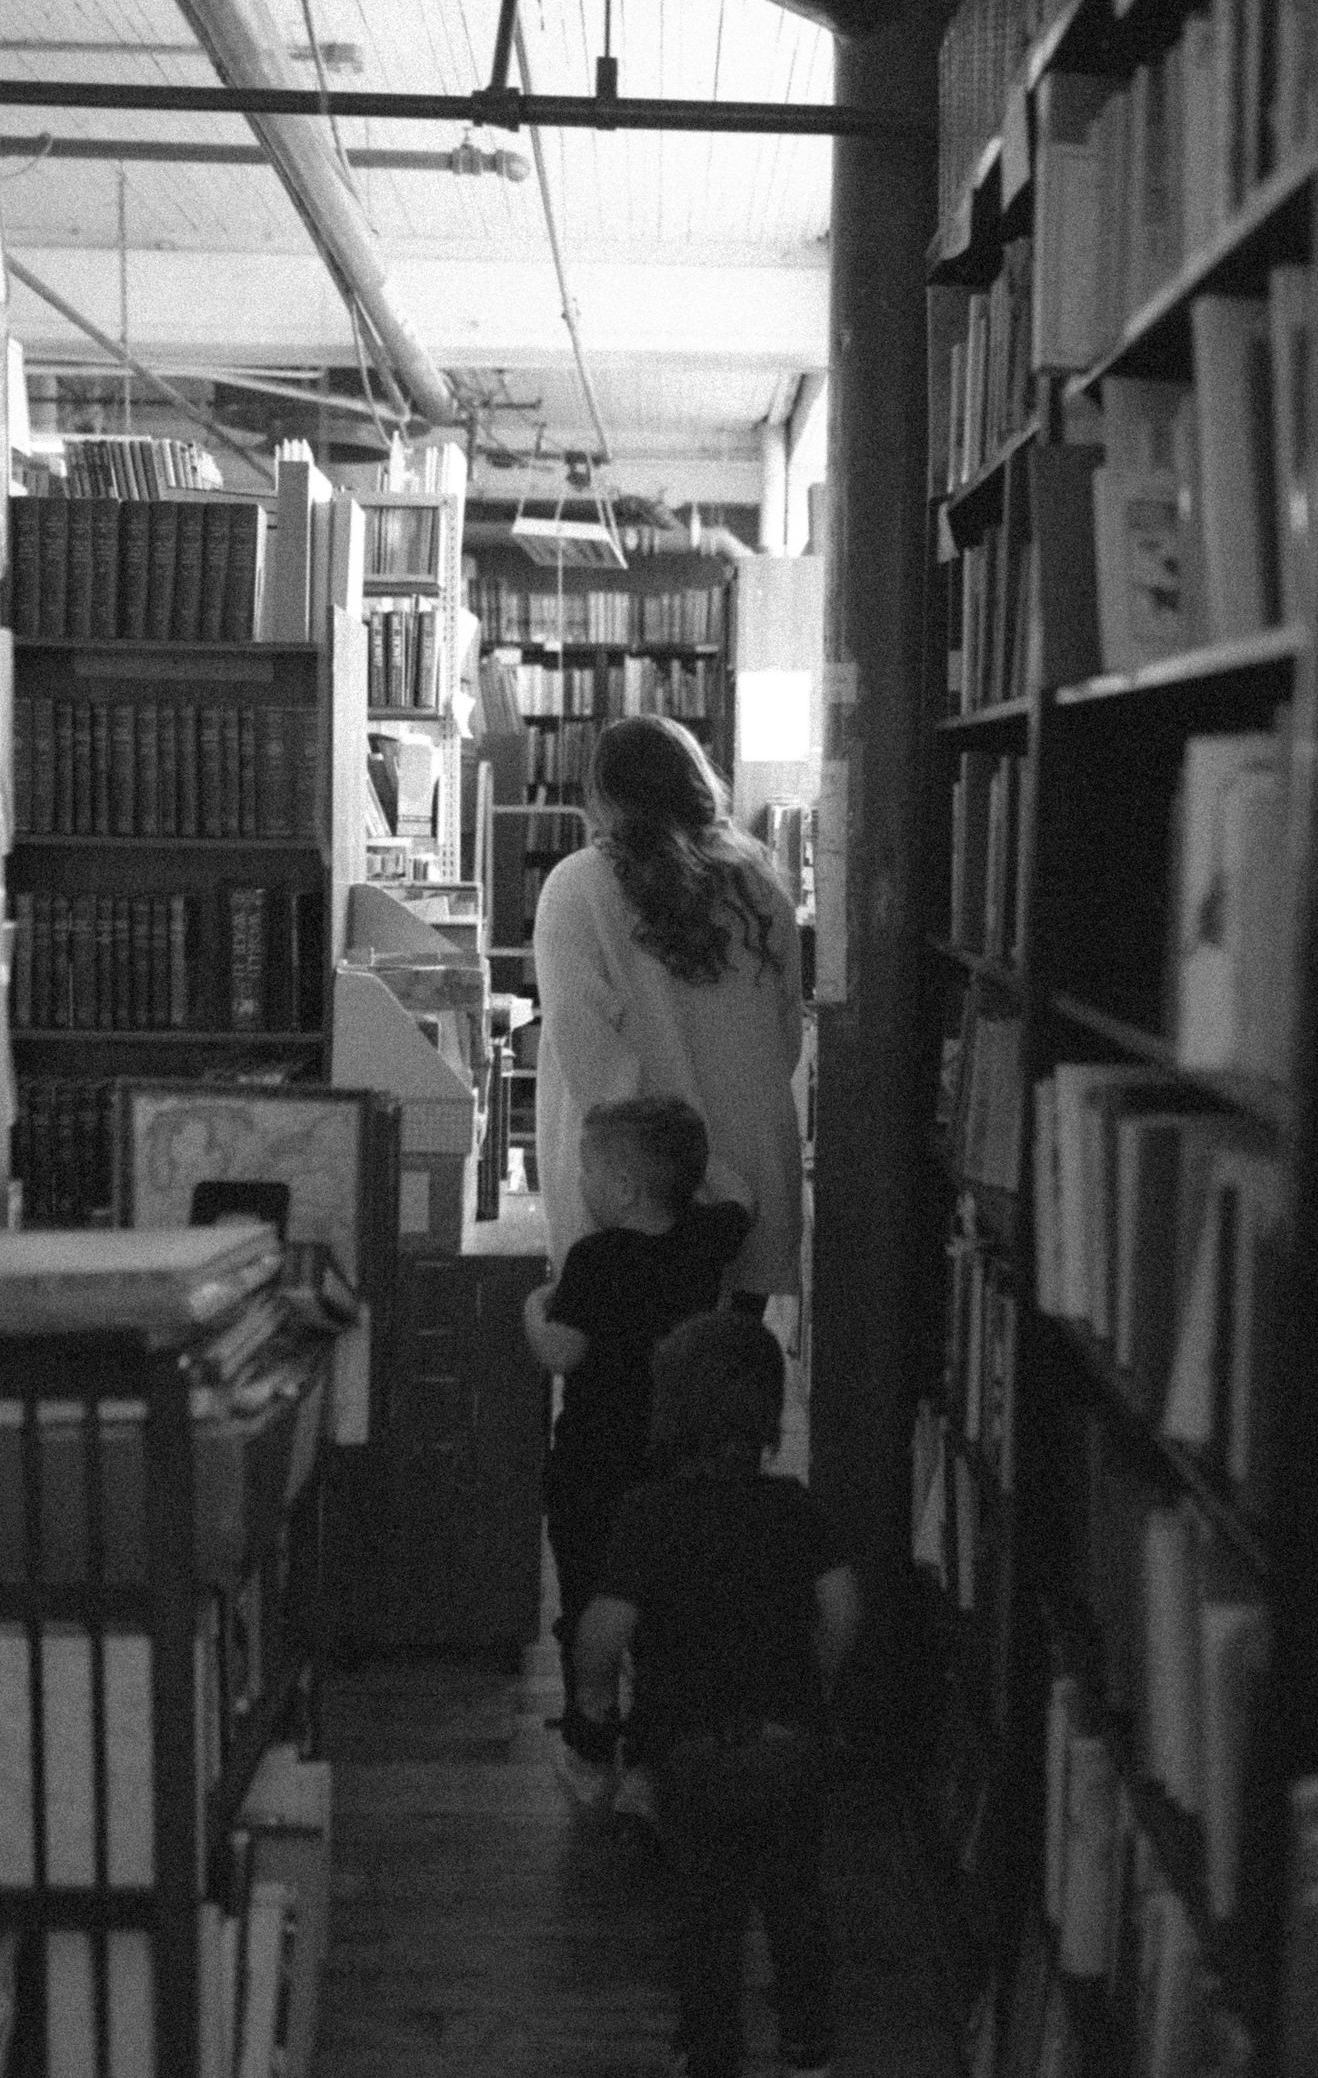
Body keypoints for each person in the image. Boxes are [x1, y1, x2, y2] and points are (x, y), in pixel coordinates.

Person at [569, 1311, 862, 2078]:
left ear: (670, 1413)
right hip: (790, 1741)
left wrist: (596, 1713)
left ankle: (711, 2051)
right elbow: (842, 1606)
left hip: (691, 1750)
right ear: (769, 1417)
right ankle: (806, 2045)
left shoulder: (647, 1514)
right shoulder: (795, 1507)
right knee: (796, 1898)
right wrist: (816, 1685)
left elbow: (602, 1632)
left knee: (708, 1912)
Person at [523, 1093, 752, 1822]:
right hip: (672, 1463)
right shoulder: (709, 1239)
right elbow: (738, 1192)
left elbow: (563, 1353)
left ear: (620, 1187)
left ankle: (591, 1743)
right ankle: (655, 1764)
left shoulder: (594, 1259)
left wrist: (533, 1308)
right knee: (666, 1611)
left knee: (589, 1599)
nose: (580, 1186)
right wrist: (689, 1174)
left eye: (588, 1172)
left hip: (593, 1464)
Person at [532, 714, 804, 1317]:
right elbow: (786, 1039)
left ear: (602, 795)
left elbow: (592, 1065)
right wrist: (726, 1180)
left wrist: (688, 1181)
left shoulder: (578, 887)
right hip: (752, 1176)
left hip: (639, 1199)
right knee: (723, 1386)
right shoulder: (760, 886)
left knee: (625, 1393)